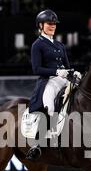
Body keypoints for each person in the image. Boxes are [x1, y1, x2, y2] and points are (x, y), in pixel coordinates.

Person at [27, 9, 81, 160]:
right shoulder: (37, 45)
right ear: (40, 25)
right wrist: (57, 72)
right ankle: (37, 143)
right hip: (49, 81)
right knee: (49, 106)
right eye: (49, 24)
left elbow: (67, 66)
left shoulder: (59, 45)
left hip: (64, 79)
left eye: (54, 24)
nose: (52, 26)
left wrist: (72, 73)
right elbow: (36, 69)